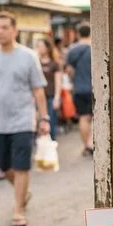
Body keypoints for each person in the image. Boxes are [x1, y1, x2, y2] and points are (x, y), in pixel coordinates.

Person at [0, 11, 50, 226]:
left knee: (21, 166)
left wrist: (44, 118)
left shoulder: (28, 56)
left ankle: (18, 209)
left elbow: (38, 90)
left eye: (4, 27)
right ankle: (23, 192)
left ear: (14, 30)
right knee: (3, 163)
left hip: (23, 121)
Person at [66, 24, 93, 155]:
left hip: (79, 88)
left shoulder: (72, 49)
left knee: (83, 117)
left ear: (78, 34)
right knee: (96, 118)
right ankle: (95, 143)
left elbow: (69, 71)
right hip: (96, 89)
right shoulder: (96, 48)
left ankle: (86, 145)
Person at [36, 39, 62, 141]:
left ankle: (51, 143)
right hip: (37, 97)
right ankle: (41, 144)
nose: (39, 49)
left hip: (50, 96)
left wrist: (57, 97)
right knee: (39, 121)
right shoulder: (35, 62)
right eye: (38, 46)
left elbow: (58, 81)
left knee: (51, 120)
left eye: (41, 46)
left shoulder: (54, 63)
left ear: (47, 48)